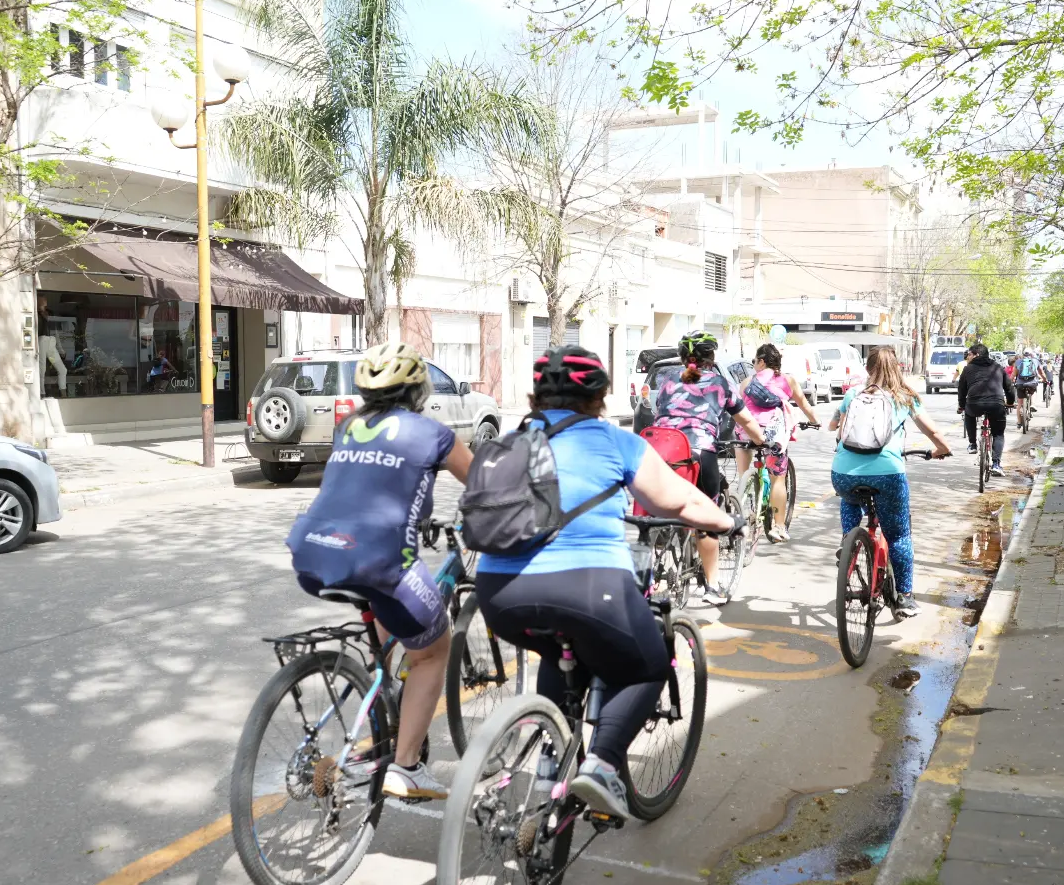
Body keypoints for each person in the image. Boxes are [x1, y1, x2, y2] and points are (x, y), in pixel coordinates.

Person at [477, 345, 738, 820]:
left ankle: (550, 764)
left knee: (559, 649)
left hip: (499, 595)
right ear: (599, 397)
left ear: (537, 396)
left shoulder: (513, 440)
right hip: (587, 588)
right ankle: (601, 765)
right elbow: (680, 502)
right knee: (647, 664)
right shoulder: (613, 440)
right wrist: (724, 523)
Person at [286, 342, 474, 800]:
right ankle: (407, 766)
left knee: (392, 618)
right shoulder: (433, 433)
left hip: (313, 553)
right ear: (418, 392)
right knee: (433, 650)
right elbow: (487, 483)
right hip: (381, 560)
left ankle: (380, 696)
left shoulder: (347, 427)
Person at [827, 348, 952, 616]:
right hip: (887, 473)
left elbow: (833, 427)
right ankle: (905, 597)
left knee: (850, 498)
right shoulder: (904, 397)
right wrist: (942, 449)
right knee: (898, 535)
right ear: (897, 367)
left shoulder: (854, 395)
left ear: (868, 368)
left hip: (842, 472)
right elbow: (932, 431)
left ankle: (849, 543)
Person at [652, 330, 766, 602]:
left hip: (662, 452)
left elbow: (662, 415)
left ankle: (662, 547)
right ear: (711, 357)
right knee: (707, 516)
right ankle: (712, 586)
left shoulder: (668, 382)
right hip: (699, 451)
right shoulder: (719, 384)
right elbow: (746, 422)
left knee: (664, 506)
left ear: (683, 358)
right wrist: (762, 441)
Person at [734, 343, 823, 543]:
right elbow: (804, 405)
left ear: (762, 361)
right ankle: (779, 526)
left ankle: (744, 490)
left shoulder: (747, 382)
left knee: (743, 470)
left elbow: (739, 409)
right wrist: (815, 421)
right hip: (771, 435)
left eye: (754, 361)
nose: (753, 365)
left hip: (746, 433)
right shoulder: (787, 381)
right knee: (778, 479)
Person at [957, 343, 1016, 476]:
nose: (967, 357)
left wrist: (961, 405)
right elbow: (1009, 388)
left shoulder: (968, 369)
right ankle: (996, 464)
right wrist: (1010, 403)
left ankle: (972, 444)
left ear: (977, 354)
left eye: (970, 354)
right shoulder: (998, 367)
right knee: (998, 434)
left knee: (969, 414)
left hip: (974, 404)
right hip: (996, 404)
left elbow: (961, 390)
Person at [1013, 348, 1041, 414]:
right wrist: (1045, 379)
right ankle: (1033, 404)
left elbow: (1013, 374)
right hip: (1032, 383)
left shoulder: (1018, 361)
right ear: (1031, 354)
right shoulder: (1035, 361)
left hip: (1020, 384)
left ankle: (1020, 418)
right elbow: (1041, 372)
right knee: (1033, 392)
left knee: (1020, 402)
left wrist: (1010, 381)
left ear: (1023, 354)